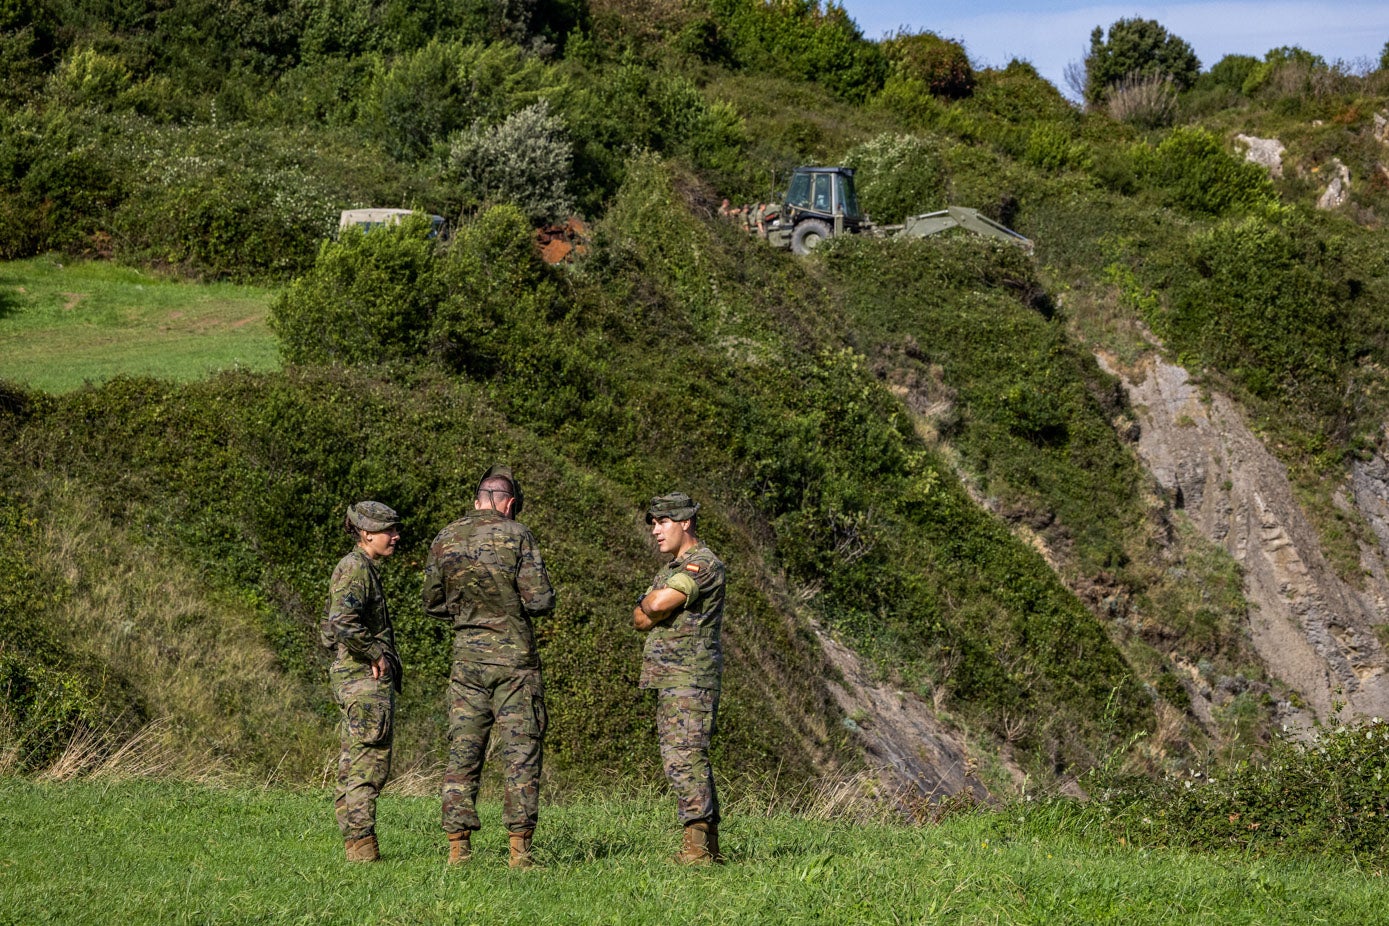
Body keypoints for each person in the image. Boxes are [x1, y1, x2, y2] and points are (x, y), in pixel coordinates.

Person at [424, 465, 555, 869]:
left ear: (478, 498)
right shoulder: (518, 535)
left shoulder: (445, 538)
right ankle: (520, 852)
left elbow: (432, 602)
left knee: (463, 753)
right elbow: (539, 601)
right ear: (510, 503)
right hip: (514, 663)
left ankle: (458, 850)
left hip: (467, 662)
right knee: (520, 754)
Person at [632, 492, 726, 864]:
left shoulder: (702, 565)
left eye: (663, 522)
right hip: (672, 678)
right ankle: (709, 849)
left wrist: (651, 603)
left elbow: (651, 607)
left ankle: (696, 851)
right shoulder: (670, 570)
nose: (656, 531)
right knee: (684, 756)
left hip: (690, 677)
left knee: (684, 757)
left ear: (685, 522)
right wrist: (650, 605)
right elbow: (640, 620)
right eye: (653, 523)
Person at [320, 500, 403, 863]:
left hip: (353, 679)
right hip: (363, 682)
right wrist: (374, 653)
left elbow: (329, 629)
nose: (396, 537)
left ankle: (356, 851)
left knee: (353, 765)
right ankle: (363, 851)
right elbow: (341, 621)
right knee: (368, 767)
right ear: (367, 533)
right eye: (389, 531)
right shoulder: (355, 568)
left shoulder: (359, 567)